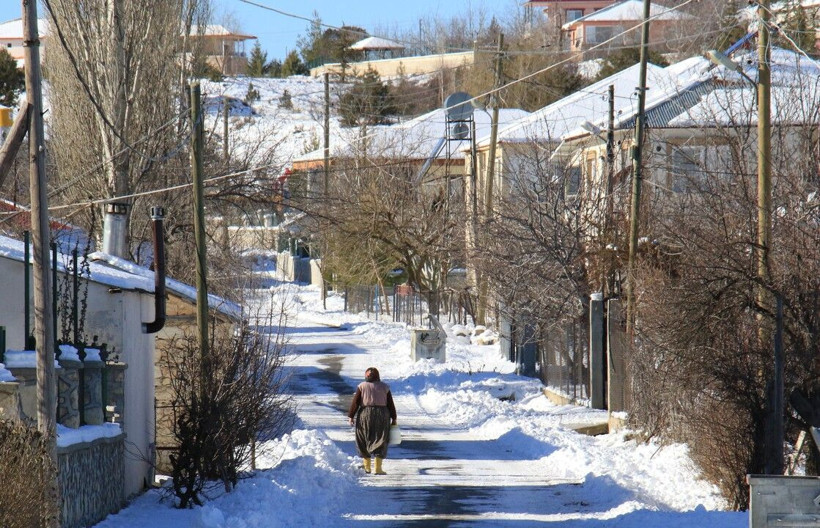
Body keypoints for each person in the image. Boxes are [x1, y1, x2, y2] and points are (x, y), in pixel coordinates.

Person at [348, 367, 397, 475]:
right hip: (382, 414)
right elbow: (390, 404)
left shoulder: (362, 386)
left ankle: (367, 467)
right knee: (381, 438)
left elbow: (356, 402)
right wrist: (394, 418)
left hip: (365, 414)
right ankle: (378, 468)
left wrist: (351, 416)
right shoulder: (385, 387)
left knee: (363, 438)